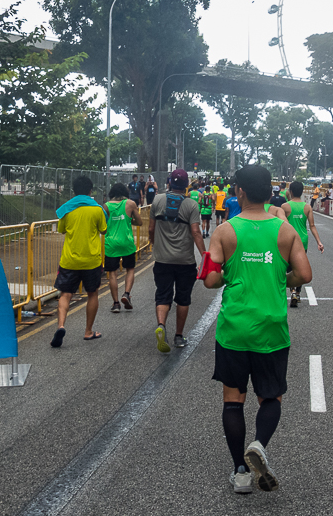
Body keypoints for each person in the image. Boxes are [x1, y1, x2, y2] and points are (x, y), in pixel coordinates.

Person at [203, 164, 313, 494]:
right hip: (271, 328)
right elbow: (304, 275)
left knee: (233, 399)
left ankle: (240, 472)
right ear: (269, 194)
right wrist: (283, 278)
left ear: (239, 192)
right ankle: (260, 445)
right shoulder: (285, 231)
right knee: (271, 395)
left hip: (234, 328)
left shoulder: (223, 231)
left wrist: (229, 275)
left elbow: (209, 279)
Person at [149, 168, 206, 352]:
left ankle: (161, 326)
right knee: (183, 299)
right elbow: (196, 232)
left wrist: (153, 242)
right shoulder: (191, 205)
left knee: (163, 294)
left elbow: (151, 228)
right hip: (185, 261)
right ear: (186, 185)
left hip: (162, 259)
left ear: (169, 183)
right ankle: (179, 336)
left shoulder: (157, 200)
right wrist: (204, 255)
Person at [51, 175, 107, 347]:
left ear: (74, 191)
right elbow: (103, 230)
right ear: (91, 191)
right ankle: (88, 331)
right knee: (92, 293)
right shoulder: (97, 210)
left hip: (70, 260)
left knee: (65, 294)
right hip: (91, 260)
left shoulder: (67, 210)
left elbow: (62, 230)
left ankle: (61, 326)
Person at [283, 181, 325, 308]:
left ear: (290, 191)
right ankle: (298, 292)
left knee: (289, 268)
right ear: (302, 192)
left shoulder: (285, 207)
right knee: (300, 266)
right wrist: (319, 242)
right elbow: (312, 226)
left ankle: (293, 291)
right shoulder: (307, 207)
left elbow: (280, 226)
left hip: (289, 240)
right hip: (302, 240)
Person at [104, 183, 143, 313]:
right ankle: (126, 294)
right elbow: (139, 222)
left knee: (112, 273)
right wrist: (128, 220)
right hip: (127, 242)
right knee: (130, 269)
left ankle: (115, 304)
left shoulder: (106, 206)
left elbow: (104, 228)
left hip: (111, 244)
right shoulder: (130, 204)